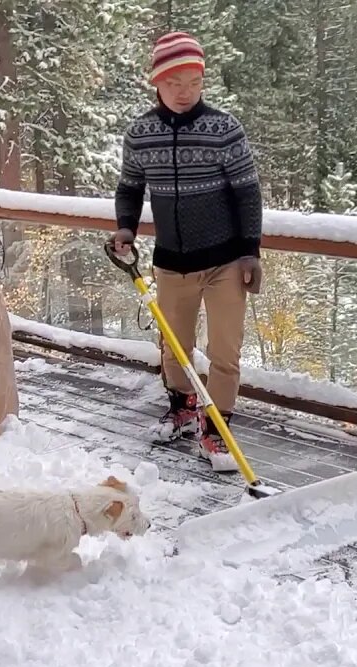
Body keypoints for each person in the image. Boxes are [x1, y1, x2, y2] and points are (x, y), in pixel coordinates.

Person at [112, 31, 263, 471]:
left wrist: (250, 251)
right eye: (175, 82)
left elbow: (247, 194)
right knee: (174, 347)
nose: (184, 92)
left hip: (225, 262)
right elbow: (130, 186)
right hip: (171, 262)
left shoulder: (224, 128)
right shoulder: (141, 133)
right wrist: (125, 227)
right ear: (156, 81)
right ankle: (182, 407)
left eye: (194, 82)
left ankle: (217, 431)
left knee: (224, 351)